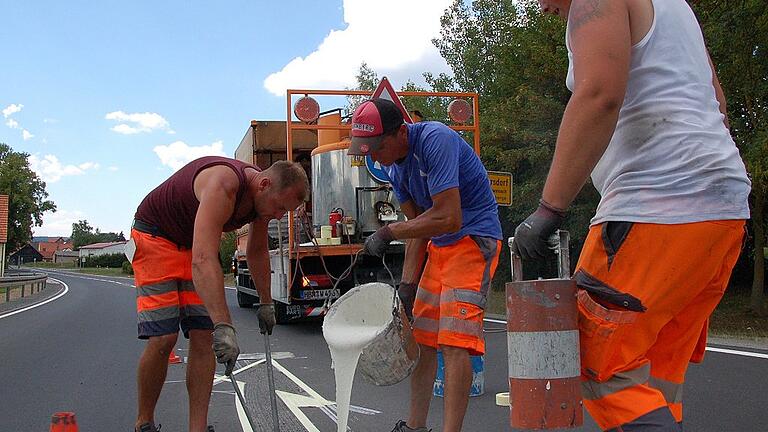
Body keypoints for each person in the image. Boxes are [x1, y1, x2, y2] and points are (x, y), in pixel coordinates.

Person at [514, 1, 751, 430]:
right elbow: (718, 106)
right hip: (722, 210)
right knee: (654, 374)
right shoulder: (676, 8)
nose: (540, 7)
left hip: (656, 206)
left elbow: (599, 94)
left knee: (594, 363)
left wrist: (549, 207)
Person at [348, 98, 503, 432]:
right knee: (422, 341)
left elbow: (449, 216)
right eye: (367, 149)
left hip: (473, 240)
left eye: (377, 147)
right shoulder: (394, 168)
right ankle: (414, 426)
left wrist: (389, 231)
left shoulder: (435, 139)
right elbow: (418, 227)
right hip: (441, 246)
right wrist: (406, 288)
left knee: (454, 342)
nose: (373, 156)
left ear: (400, 133)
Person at [128, 156, 308, 432]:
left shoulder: (262, 200)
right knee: (164, 337)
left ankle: (197, 428)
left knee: (204, 335)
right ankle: (144, 422)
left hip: (193, 243)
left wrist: (267, 303)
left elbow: (257, 251)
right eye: (281, 207)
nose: (280, 216)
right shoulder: (223, 185)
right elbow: (203, 259)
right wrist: (224, 325)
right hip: (156, 239)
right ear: (264, 184)